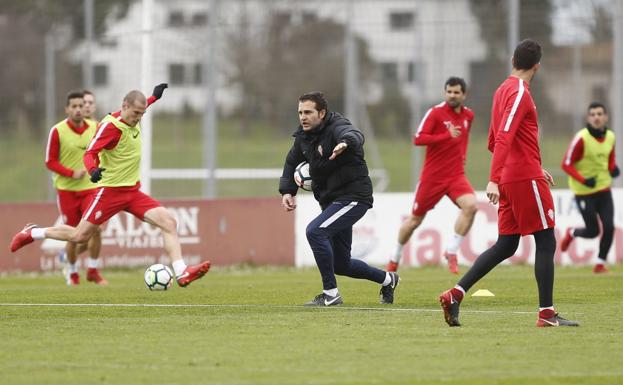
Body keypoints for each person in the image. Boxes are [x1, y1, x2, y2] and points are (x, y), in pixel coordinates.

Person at [10, 84, 211, 287]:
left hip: (133, 192)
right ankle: (32, 232)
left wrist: (154, 98)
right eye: (135, 113)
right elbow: (89, 153)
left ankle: (181, 272)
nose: (139, 118)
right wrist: (92, 170)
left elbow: (141, 106)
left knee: (169, 222)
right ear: (124, 106)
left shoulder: (133, 116)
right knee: (80, 235)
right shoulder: (111, 127)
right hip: (110, 193)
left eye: (142, 113)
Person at [438, 39, 579, 327]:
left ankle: (456, 293)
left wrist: (525, 167)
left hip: (516, 174)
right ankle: (547, 313)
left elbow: (493, 140)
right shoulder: (519, 93)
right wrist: (495, 179)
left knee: (506, 244)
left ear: (513, 59)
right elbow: (503, 136)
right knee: (546, 239)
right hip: (521, 177)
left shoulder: (502, 89)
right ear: (537, 66)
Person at [279, 91, 399, 306]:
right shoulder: (303, 138)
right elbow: (290, 163)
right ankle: (388, 279)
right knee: (341, 265)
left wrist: (345, 143)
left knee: (315, 231)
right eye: (300, 112)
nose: (303, 117)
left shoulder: (337, 126)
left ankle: (330, 294)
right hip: (332, 201)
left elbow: (354, 134)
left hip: (353, 197)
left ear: (322, 113)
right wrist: (288, 191)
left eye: (308, 112)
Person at [386, 77, 477, 274]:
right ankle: (395, 257)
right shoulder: (435, 113)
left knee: (471, 206)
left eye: (456, 92)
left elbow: (464, 139)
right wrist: (445, 135)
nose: (452, 95)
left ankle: (451, 251)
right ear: (445, 93)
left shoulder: (468, 115)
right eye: (449, 92)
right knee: (414, 221)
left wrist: (462, 157)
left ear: (464, 95)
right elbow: (418, 139)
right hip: (432, 177)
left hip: (455, 176)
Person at [45, 91, 106, 285]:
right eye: (75, 106)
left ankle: (93, 270)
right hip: (67, 191)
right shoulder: (57, 131)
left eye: (82, 106)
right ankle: (72, 272)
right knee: (73, 234)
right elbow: (50, 162)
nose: (79, 109)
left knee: (96, 228)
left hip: (90, 188)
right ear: (67, 109)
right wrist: (71, 173)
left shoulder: (95, 128)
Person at [560, 102, 619, 273]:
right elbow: (566, 164)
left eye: (600, 114)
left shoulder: (610, 136)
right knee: (593, 231)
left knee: (609, 227)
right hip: (584, 192)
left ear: (606, 117)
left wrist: (613, 168)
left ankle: (600, 264)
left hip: (604, 189)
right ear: (588, 118)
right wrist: (584, 181)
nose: (596, 117)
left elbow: (610, 158)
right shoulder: (581, 138)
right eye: (593, 114)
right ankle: (571, 233)